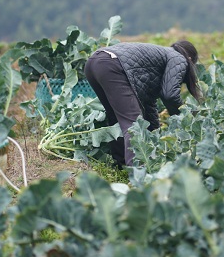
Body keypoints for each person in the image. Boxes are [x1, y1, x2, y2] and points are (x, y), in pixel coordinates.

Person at [84, 40, 202, 168]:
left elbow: (148, 104)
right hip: (111, 64)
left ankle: (121, 166)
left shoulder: (158, 60)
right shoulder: (179, 58)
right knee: (134, 124)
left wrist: (155, 133)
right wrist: (184, 117)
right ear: (190, 59)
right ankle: (137, 173)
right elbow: (170, 95)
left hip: (94, 63)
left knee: (116, 118)